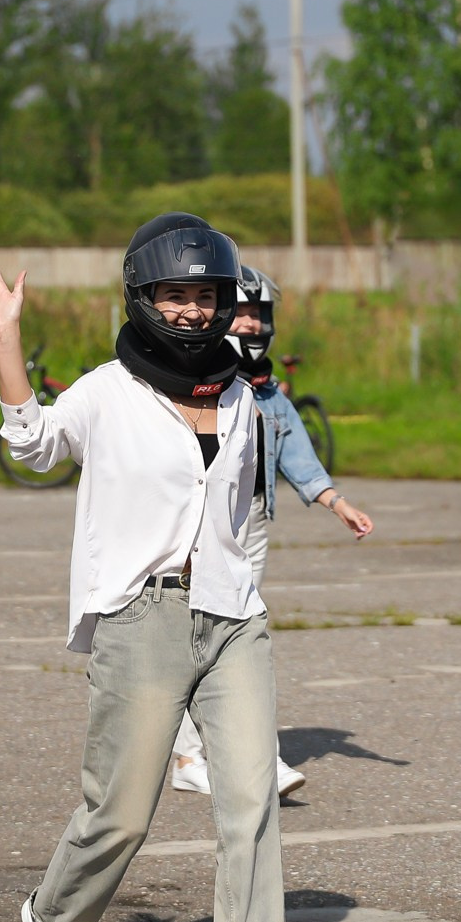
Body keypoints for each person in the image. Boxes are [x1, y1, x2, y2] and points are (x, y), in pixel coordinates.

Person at [0, 214, 302, 922]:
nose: (190, 311)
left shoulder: (242, 394)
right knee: (123, 810)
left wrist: (251, 589)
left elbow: (248, 510)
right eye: (174, 296)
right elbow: (35, 446)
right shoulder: (109, 389)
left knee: (251, 802)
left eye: (205, 296)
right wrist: (7, 339)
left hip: (233, 617)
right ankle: (56, 921)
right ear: (143, 298)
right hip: (141, 614)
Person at [170, 264, 373, 799]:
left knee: (235, 635)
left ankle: (215, 754)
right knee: (213, 638)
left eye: (261, 314)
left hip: (252, 528)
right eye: (241, 312)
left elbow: (300, 459)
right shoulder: (200, 386)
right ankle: (214, 755)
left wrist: (337, 503)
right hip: (202, 532)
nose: (254, 325)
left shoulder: (270, 394)